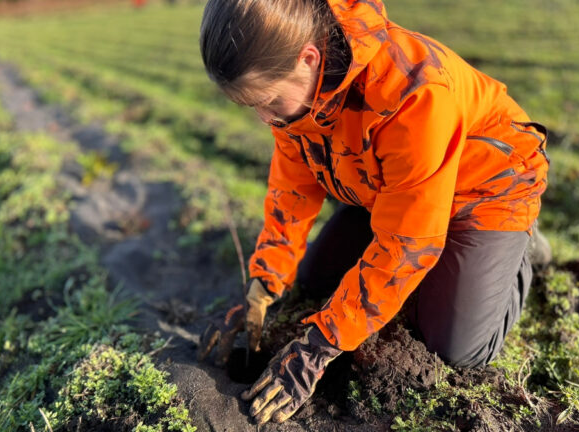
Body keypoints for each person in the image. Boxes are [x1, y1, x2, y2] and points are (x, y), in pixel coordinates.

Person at [197, 0, 551, 425]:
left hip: (487, 189)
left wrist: (318, 348)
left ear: (307, 59)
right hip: (390, 189)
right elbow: (291, 193)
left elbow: (407, 245)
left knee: (455, 346)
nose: (263, 118)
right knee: (314, 281)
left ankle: (518, 249)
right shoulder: (295, 103)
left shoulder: (413, 94)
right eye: (251, 106)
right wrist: (262, 287)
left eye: (268, 101)